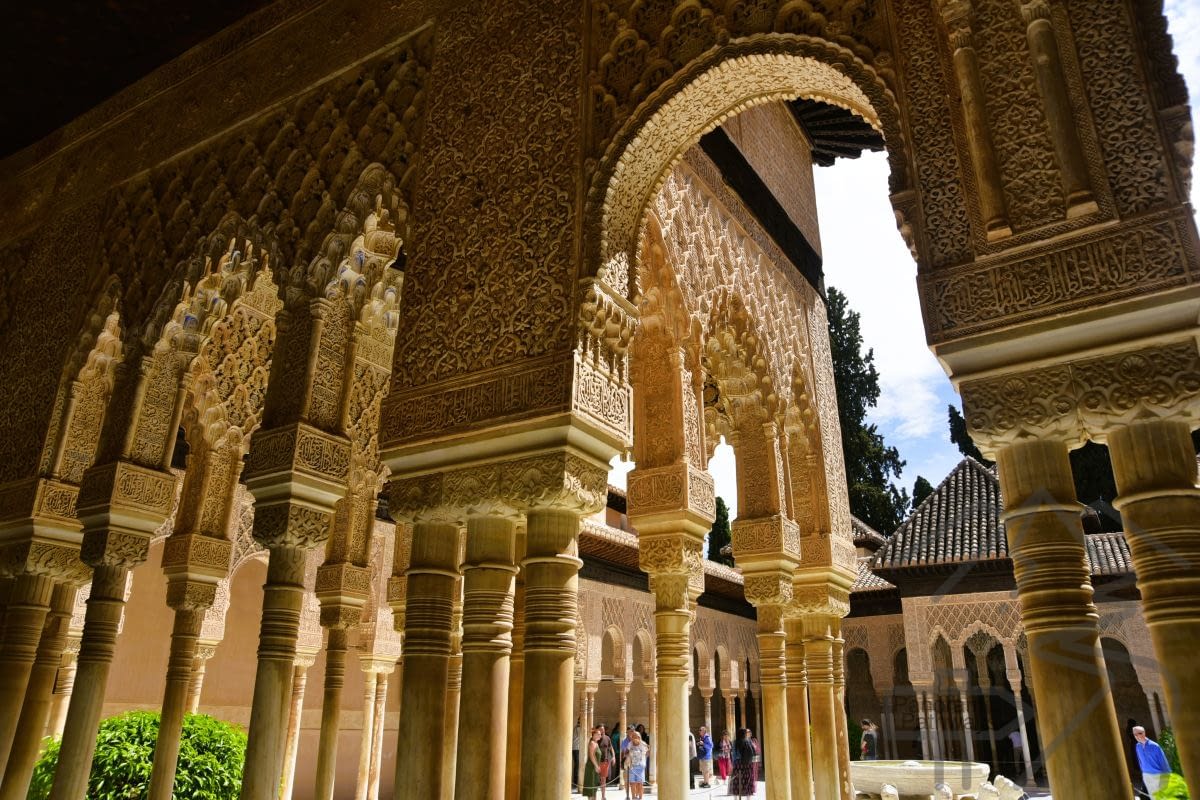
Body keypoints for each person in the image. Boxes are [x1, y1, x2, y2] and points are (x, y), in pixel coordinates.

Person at [1133, 726, 1172, 796]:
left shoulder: (1154, 746)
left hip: (1157, 775)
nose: (1137, 736)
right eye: (1135, 734)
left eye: (1139, 733)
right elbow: (1140, 761)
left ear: (1144, 733)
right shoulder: (1137, 746)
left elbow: (1164, 762)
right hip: (1146, 776)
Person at [728, 728, 756, 799]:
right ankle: (748, 798)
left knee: (737, 781)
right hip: (748, 764)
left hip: (738, 764)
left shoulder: (735, 742)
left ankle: (736, 798)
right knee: (748, 780)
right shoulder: (748, 741)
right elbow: (753, 752)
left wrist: (734, 765)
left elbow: (734, 755)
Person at [625, 730, 649, 800]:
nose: (635, 737)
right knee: (632, 783)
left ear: (639, 737)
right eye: (634, 736)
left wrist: (643, 758)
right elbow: (626, 752)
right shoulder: (630, 744)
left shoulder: (643, 744)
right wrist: (628, 756)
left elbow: (648, 751)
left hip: (640, 767)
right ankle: (633, 798)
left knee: (640, 784)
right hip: (632, 766)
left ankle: (640, 798)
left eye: (637, 736)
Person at [583, 727, 603, 798]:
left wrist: (597, 766)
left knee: (594, 788)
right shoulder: (592, 743)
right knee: (591, 789)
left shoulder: (596, 743)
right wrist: (596, 766)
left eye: (600, 734)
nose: (600, 736)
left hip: (595, 768)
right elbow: (591, 756)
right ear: (594, 734)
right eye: (598, 734)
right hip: (591, 768)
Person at [596, 724, 615, 798]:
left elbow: (611, 748)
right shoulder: (594, 739)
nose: (602, 731)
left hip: (605, 761)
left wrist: (613, 757)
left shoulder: (607, 738)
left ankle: (603, 796)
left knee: (603, 779)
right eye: (600, 729)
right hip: (596, 762)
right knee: (595, 780)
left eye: (603, 729)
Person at [621, 726, 634, 799]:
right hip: (627, 762)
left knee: (634, 780)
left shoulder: (636, 740)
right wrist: (622, 763)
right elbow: (623, 753)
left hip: (635, 762)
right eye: (630, 731)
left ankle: (633, 795)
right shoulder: (624, 741)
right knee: (626, 780)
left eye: (632, 731)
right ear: (627, 732)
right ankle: (627, 795)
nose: (631, 732)